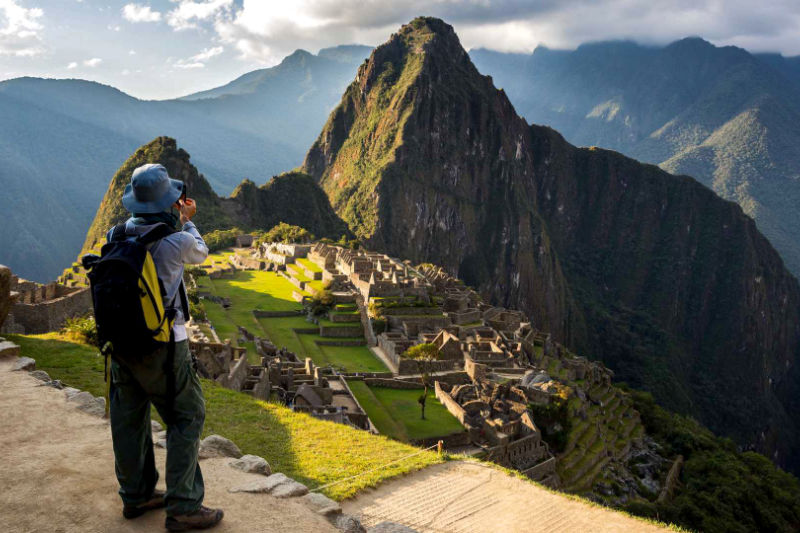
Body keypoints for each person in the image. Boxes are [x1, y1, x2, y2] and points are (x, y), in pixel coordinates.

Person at [107, 163, 223, 531]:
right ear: (169, 201)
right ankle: (184, 505)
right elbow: (201, 251)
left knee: (129, 419)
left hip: (120, 344)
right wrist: (187, 219)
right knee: (187, 416)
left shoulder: (115, 234)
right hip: (164, 346)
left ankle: (137, 494)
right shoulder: (179, 241)